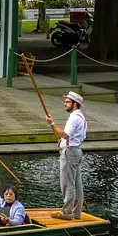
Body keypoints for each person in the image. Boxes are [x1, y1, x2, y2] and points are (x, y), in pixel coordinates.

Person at [47, 91, 87, 220]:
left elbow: (64, 134)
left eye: (68, 102)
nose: (65, 104)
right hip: (77, 151)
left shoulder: (74, 118)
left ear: (75, 104)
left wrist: (52, 124)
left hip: (70, 152)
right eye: (65, 101)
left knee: (67, 183)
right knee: (77, 183)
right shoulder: (82, 117)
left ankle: (66, 213)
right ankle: (76, 212)